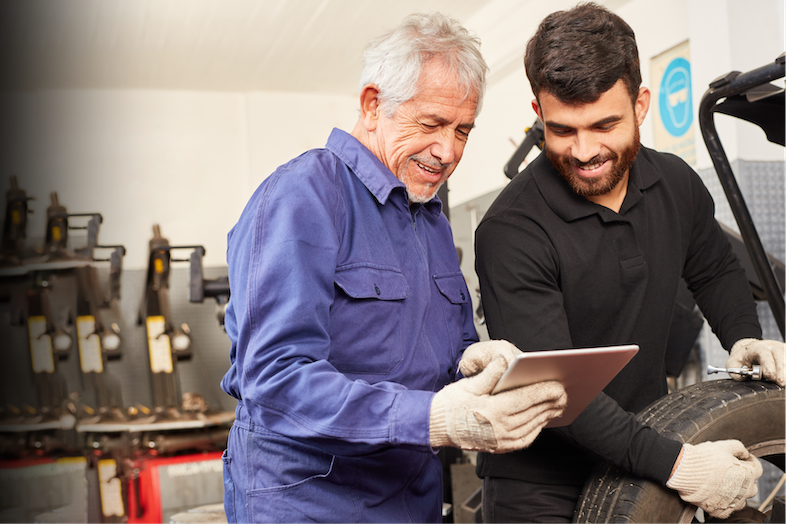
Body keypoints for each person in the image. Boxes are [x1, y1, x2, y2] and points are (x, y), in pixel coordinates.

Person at [219, 13, 568, 524]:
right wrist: (435, 417)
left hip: (410, 499)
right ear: (372, 104)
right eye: (430, 124)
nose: (447, 151)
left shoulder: (428, 218)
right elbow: (275, 379)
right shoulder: (304, 196)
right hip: (309, 503)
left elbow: (437, 355)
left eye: (462, 130)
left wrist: (472, 361)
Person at [473, 3, 785, 522]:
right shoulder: (511, 230)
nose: (584, 150)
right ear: (538, 113)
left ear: (641, 103)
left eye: (604, 124)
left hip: (642, 453)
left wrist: (743, 337)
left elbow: (713, 268)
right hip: (541, 484)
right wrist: (680, 464)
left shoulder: (677, 183)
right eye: (562, 129)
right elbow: (558, 391)